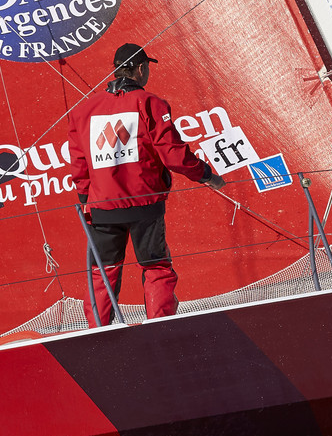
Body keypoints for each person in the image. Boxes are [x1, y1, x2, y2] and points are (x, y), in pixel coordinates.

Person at [67, 43, 226, 326]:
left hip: (102, 206)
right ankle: (160, 328)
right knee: (156, 267)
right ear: (140, 69)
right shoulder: (150, 103)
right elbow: (174, 155)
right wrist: (206, 175)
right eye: (147, 68)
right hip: (146, 205)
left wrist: (84, 199)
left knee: (102, 272)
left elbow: (79, 163)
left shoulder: (83, 111)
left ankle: (95, 335)